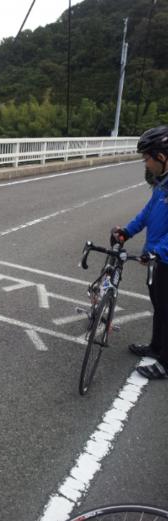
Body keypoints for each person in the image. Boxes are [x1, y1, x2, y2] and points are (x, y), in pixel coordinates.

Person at [111, 125, 168, 379]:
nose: (145, 163)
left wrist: (157, 251)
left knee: (167, 309)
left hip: (164, 258)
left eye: (147, 158)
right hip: (159, 259)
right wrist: (126, 232)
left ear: (162, 156)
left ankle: (166, 364)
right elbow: (147, 213)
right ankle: (156, 347)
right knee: (160, 305)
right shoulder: (162, 185)